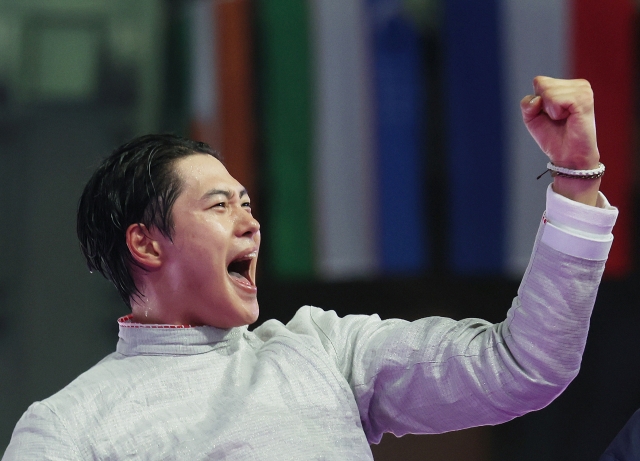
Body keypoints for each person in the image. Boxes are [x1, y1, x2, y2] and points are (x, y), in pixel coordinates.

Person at [3, 76, 618, 460]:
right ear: (147, 245)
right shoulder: (68, 428)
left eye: (247, 203)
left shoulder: (322, 350)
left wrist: (575, 180)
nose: (250, 222)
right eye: (219, 206)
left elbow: (524, 367)